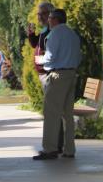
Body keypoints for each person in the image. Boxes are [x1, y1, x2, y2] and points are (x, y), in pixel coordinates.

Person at [33, 9, 81, 160]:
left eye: (50, 18)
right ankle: (69, 149)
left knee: (51, 113)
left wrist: (40, 60)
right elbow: (79, 56)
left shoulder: (54, 34)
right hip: (71, 74)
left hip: (58, 76)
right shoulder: (72, 34)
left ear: (55, 20)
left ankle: (50, 149)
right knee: (68, 114)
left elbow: (50, 57)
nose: (48, 20)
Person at [27, 1, 63, 151]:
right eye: (38, 14)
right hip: (44, 74)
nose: (39, 17)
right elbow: (37, 44)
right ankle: (55, 145)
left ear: (50, 14)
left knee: (52, 111)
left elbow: (50, 52)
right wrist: (31, 35)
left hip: (49, 74)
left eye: (42, 14)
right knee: (51, 111)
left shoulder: (53, 31)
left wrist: (43, 58)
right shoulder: (44, 29)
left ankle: (55, 145)